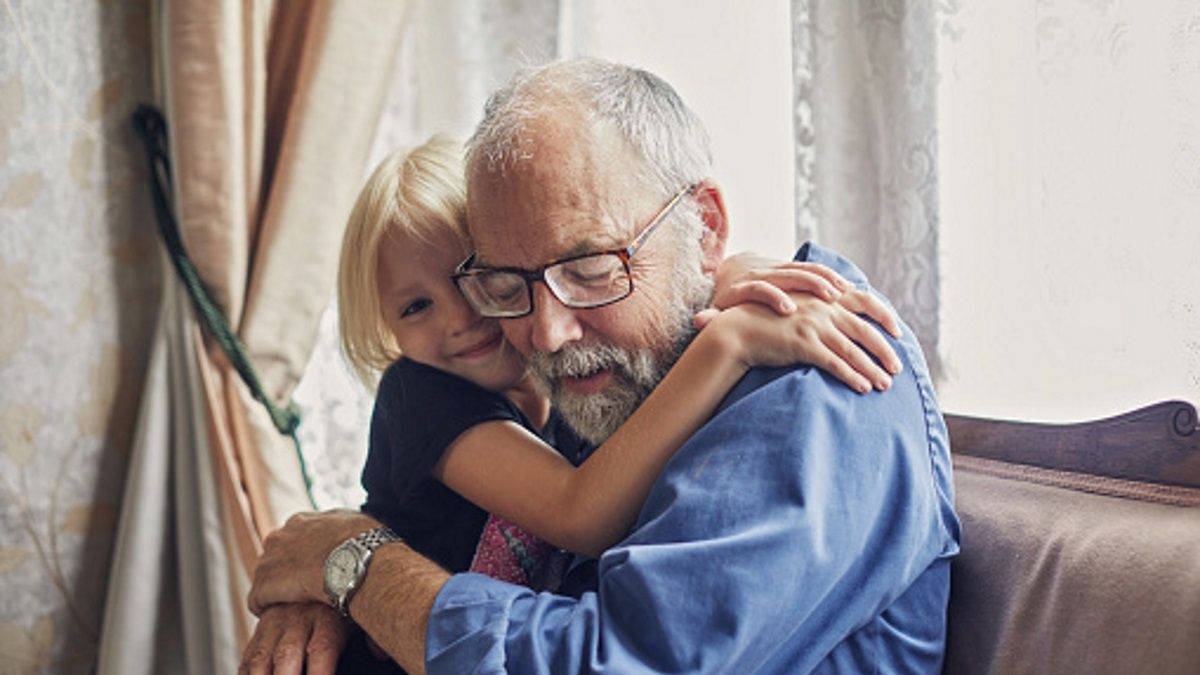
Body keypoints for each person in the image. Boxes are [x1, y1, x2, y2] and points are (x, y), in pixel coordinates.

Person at [244, 58, 959, 675]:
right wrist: (334, 590)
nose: (547, 333)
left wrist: (361, 568)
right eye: (506, 284)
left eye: (589, 269)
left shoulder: (814, 379)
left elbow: (614, 658)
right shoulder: (613, 382)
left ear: (704, 227)